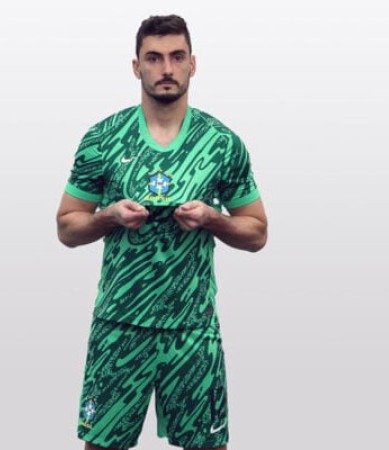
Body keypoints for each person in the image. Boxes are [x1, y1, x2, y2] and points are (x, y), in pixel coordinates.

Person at [56, 14, 268, 450]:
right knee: (101, 445)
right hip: (120, 324)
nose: (166, 68)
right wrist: (108, 216)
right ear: (136, 67)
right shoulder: (103, 139)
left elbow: (257, 232)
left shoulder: (221, 143)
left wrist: (212, 219)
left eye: (176, 56)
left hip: (192, 327)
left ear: (193, 63)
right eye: (153, 58)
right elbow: (67, 227)